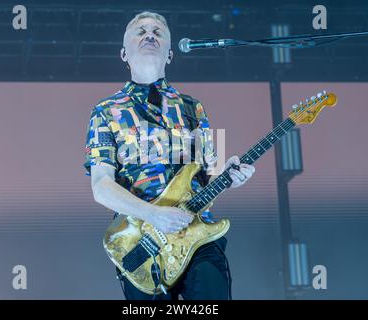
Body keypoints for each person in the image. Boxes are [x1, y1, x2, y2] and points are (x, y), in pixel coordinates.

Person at [84, 11, 255, 300]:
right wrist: (154, 214)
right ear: (124, 54)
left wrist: (229, 175)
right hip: (141, 242)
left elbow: (207, 177)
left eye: (158, 32)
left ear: (170, 55)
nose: (150, 35)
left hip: (198, 236)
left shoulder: (193, 107)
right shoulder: (105, 111)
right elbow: (101, 187)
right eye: (141, 31)